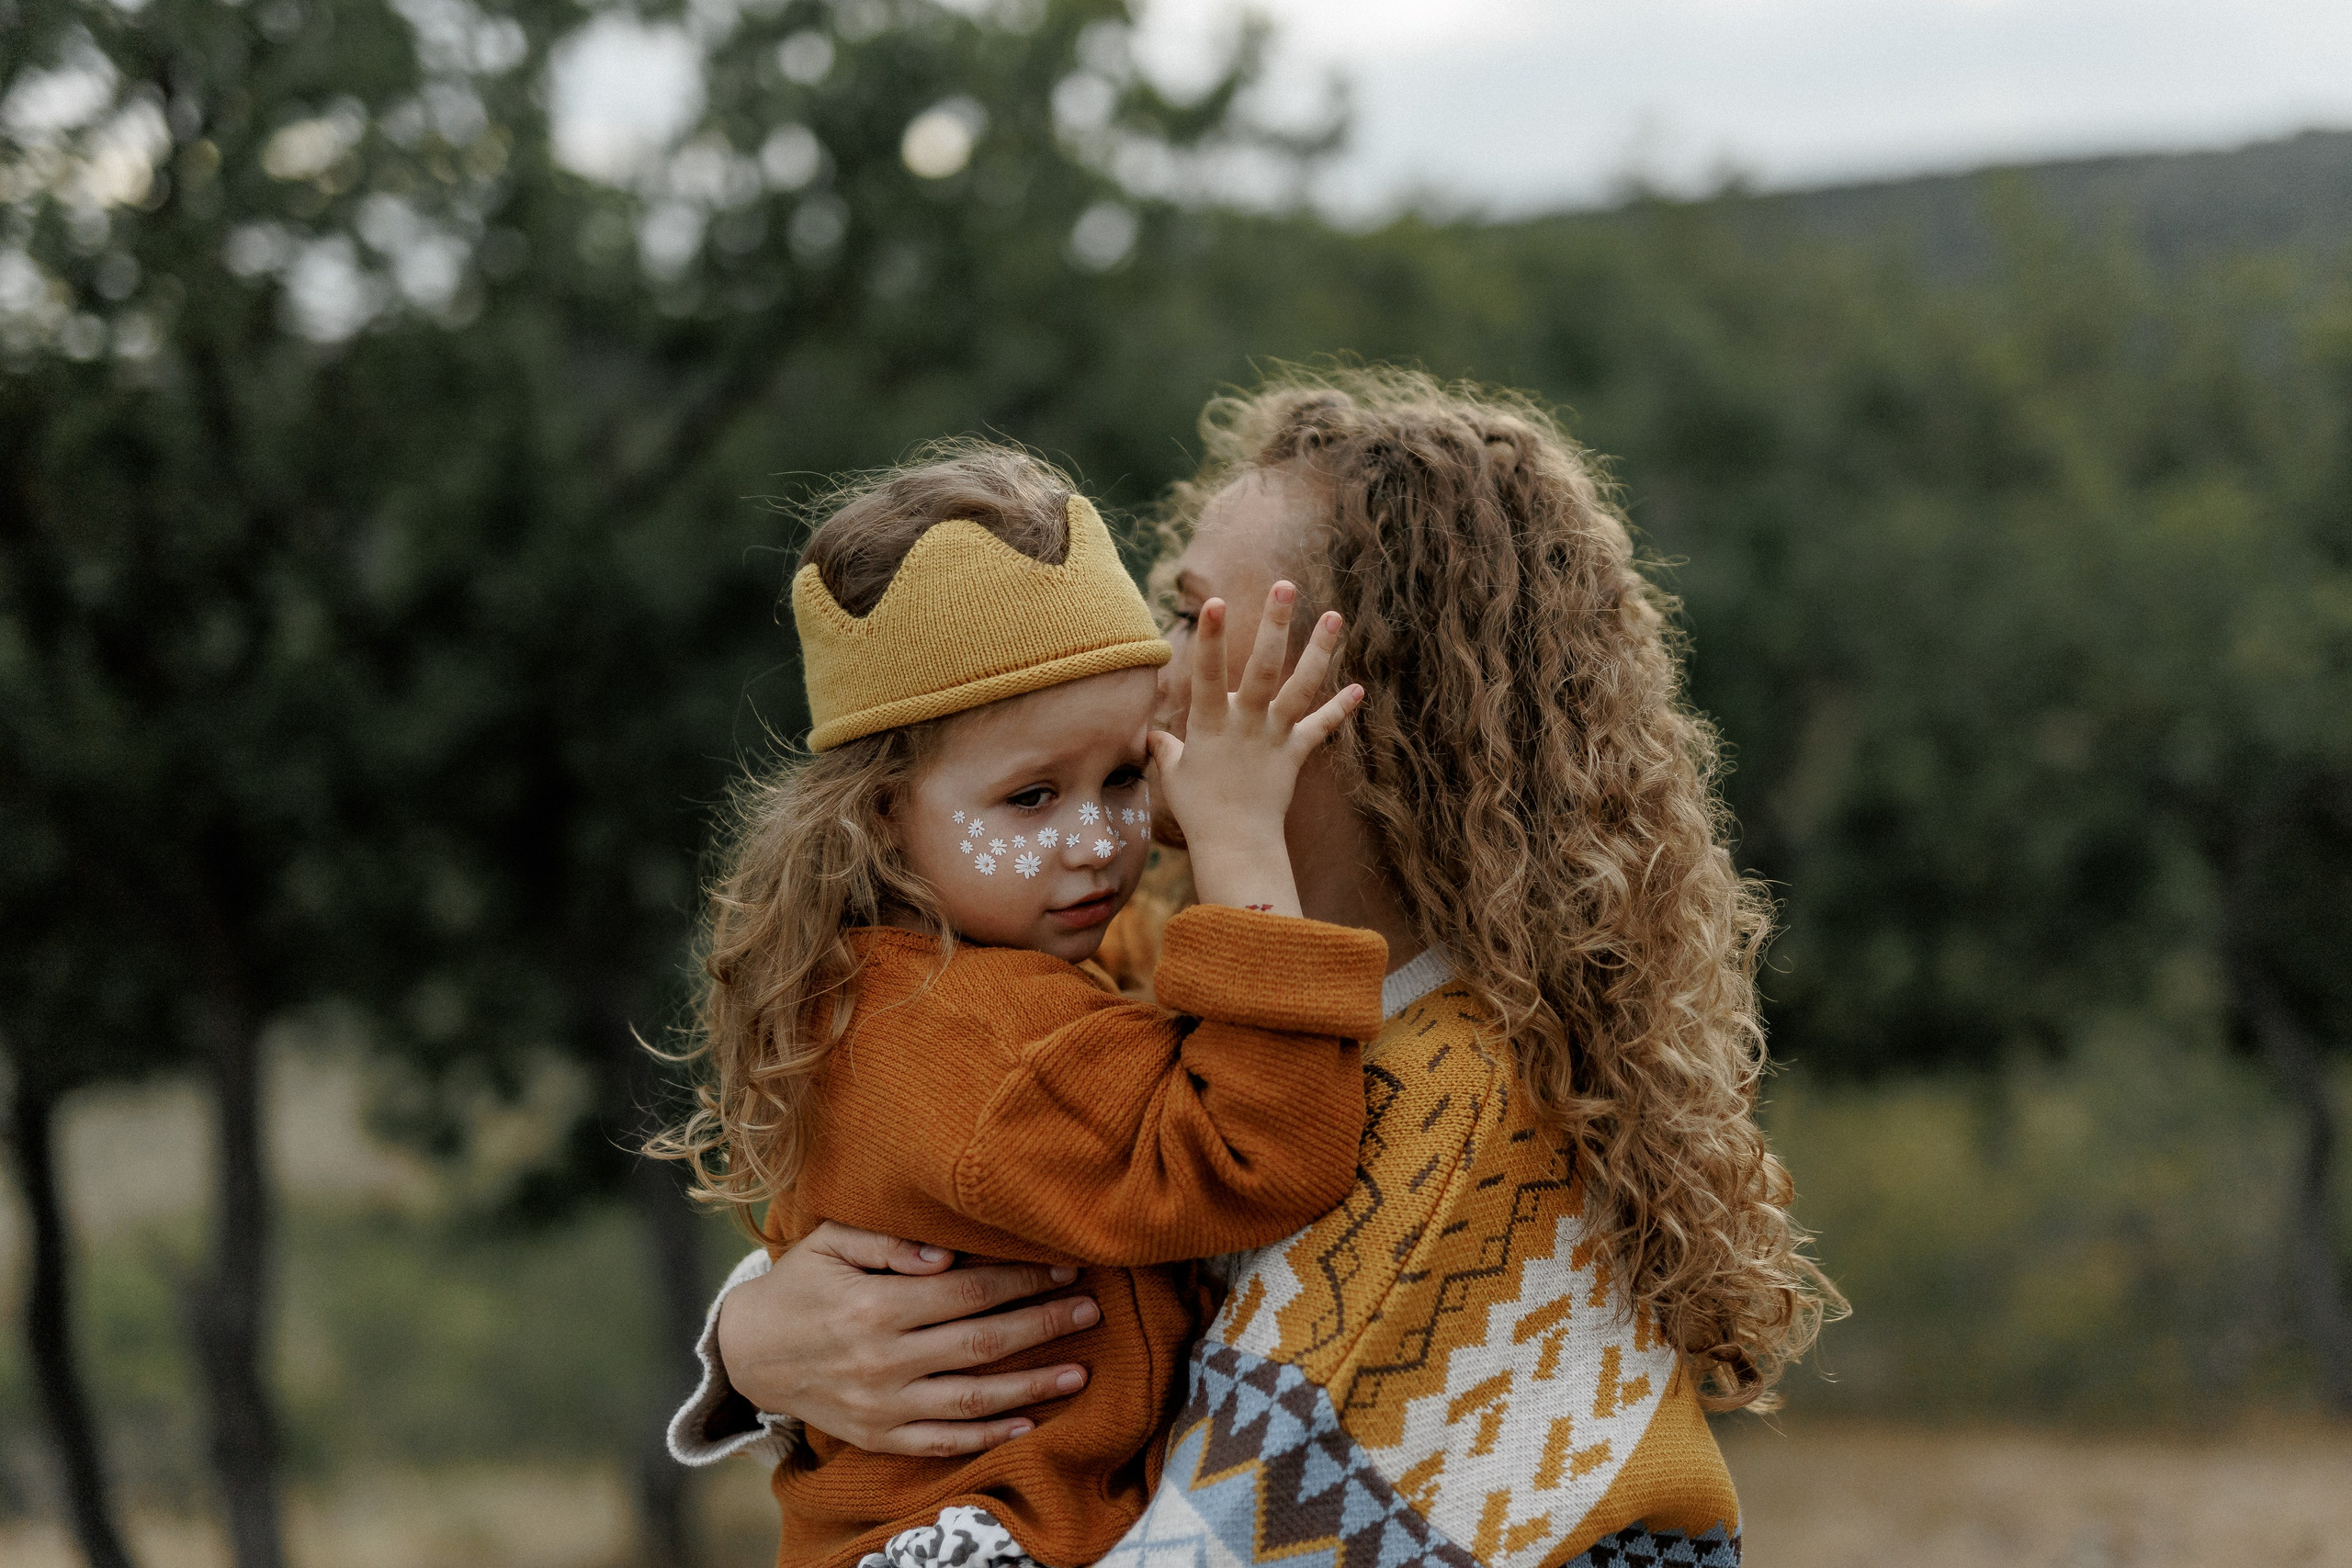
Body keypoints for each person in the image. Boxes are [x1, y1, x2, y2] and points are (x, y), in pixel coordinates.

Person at [674, 371, 1841, 1568]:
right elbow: (943, 1178)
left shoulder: (1463, 1106)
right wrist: (756, 1338)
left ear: (1358, 696)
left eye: (1192, 620)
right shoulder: (1121, 948)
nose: (1152, 674)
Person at [652, 444, 1399, 1568]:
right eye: (1032, 796)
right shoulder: (979, 1036)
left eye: (1122, 777)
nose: (1097, 840)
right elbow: (1263, 1154)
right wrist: (1244, 840)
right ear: (881, 818)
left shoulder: (905, 979)